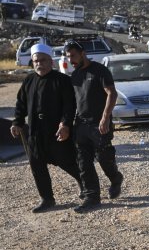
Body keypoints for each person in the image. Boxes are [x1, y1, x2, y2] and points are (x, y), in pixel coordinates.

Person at [11, 44, 83, 212]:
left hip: (57, 131)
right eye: (36, 61)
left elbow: (69, 106)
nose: (39, 64)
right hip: (35, 132)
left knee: (68, 162)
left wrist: (65, 124)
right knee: (37, 165)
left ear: (51, 61)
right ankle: (47, 199)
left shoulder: (62, 80)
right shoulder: (29, 80)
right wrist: (17, 122)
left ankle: (86, 186)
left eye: (43, 60)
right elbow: (21, 104)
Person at [65, 39, 125, 213]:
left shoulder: (99, 70)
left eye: (73, 56)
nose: (71, 60)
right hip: (81, 125)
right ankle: (92, 197)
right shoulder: (75, 75)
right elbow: (73, 102)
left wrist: (105, 117)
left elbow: (111, 93)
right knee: (83, 162)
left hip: (99, 125)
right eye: (68, 57)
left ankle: (115, 178)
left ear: (82, 53)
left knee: (104, 158)